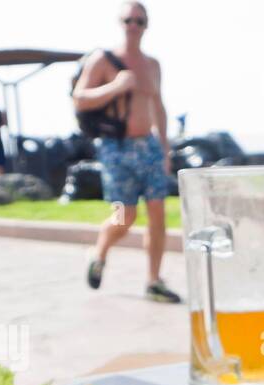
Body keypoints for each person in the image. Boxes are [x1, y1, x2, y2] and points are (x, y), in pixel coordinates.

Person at [72, 2, 180, 303]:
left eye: (140, 21)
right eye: (129, 20)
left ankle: (153, 280)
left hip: (149, 148)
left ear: (146, 25)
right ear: (120, 23)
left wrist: (165, 147)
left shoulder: (153, 65)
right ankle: (99, 252)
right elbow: (79, 98)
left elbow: (158, 106)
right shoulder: (103, 60)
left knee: (158, 213)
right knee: (124, 215)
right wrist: (115, 87)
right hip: (115, 149)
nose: (134, 25)